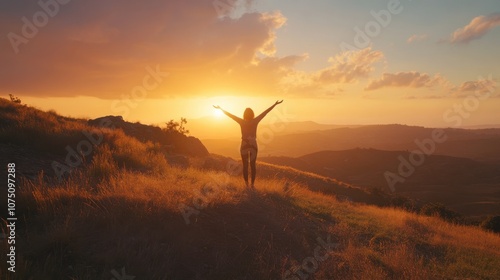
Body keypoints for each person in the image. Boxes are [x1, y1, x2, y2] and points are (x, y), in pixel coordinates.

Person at [213, 100, 283, 189]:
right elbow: (265, 112)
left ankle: (246, 185)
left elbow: (231, 115)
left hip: (244, 145)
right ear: (252, 114)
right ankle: (252, 185)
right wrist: (275, 104)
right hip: (253, 145)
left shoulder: (242, 122)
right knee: (253, 166)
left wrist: (220, 109)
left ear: (244, 114)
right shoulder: (255, 121)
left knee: (245, 166)